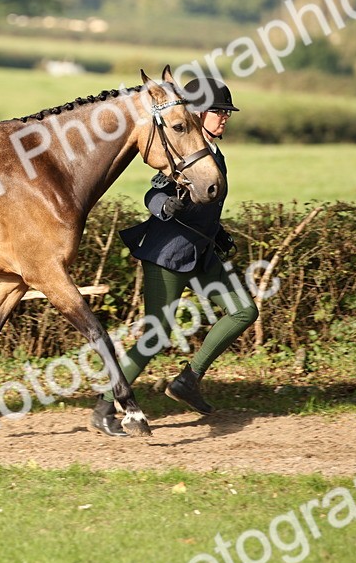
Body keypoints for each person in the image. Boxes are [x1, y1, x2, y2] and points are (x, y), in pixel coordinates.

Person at [90, 77, 258, 436]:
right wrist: (164, 205)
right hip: (168, 254)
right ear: (197, 112)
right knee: (157, 333)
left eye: (227, 112)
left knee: (244, 310)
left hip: (202, 252)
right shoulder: (182, 152)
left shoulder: (212, 153)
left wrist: (219, 232)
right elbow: (153, 194)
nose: (225, 118)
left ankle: (188, 380)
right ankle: (105, 405)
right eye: (218, 111)